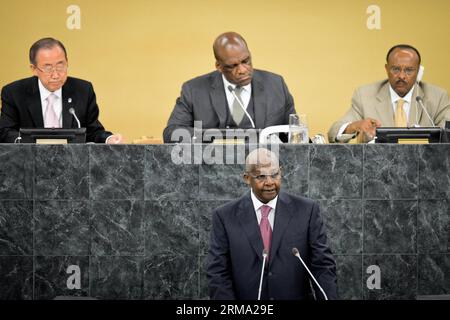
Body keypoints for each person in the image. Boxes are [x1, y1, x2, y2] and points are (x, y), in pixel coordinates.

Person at [207, 148, 337, 300]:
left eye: (275, 175)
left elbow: (322, 266)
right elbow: (218, 273)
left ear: (281, 171)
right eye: (261, 176)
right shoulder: (224, 216)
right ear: (247, 178)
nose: (270, 182)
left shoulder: (307, 211)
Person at [163, 32, 296, 143]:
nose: (242, 70)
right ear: (219, 66)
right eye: (232, 66)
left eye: (246, 61)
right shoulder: (194, 90)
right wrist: (218, 137)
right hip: (212, 166)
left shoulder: (275, 84)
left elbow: (294, 133)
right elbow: (171, 133)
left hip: (265, 168)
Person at [0, 37, 123, 143]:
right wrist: (31, 144)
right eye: (48, 68)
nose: (56, 75)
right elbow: (6, 132)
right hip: (28, 164)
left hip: (72, 163)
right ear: (34, 69)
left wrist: (109, 139)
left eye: (60, 66)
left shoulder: (83, 90)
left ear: (67, 62)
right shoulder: (14, 93)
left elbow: (92, 131)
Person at [328, 44, 450, 143]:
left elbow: (447, 136)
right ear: (386, 69)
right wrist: (354, 126)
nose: (402, 76)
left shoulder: (437, 97)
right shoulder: (365, 95)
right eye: (396, 69)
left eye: (409, 70)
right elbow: (334, 132)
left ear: (418, 71)